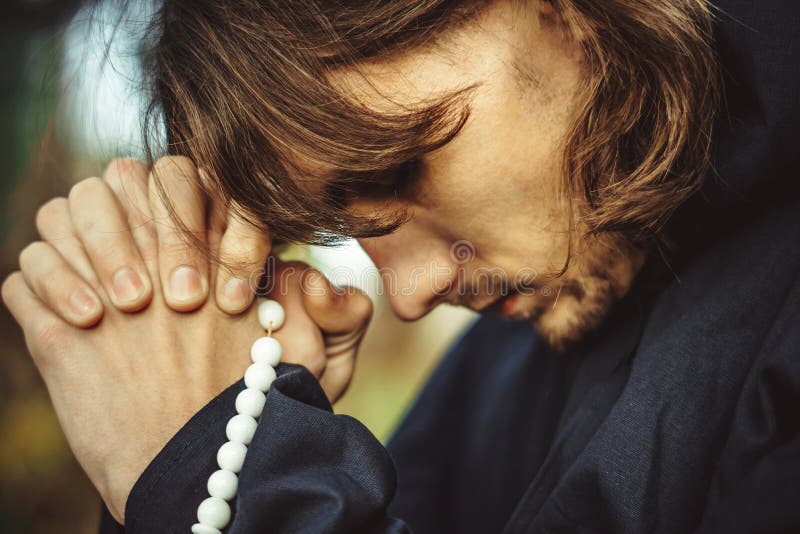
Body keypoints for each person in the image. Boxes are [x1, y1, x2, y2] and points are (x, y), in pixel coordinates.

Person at [3, 0, 799, 532]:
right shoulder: (501, 373)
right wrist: (204, 420)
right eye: (346, 228)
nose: (410, 294)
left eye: (398, 169)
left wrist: (232, 477)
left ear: (567, 14)